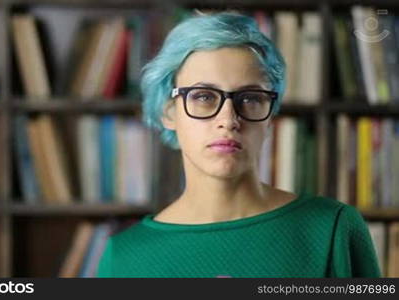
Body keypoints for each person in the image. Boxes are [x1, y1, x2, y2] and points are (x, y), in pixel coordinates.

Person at [96, 11, 381, 278]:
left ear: (270, 116)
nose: (228, 119)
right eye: (204, 96)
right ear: (169, 112)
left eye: (251, 98)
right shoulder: (123, 258)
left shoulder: (333, 229)